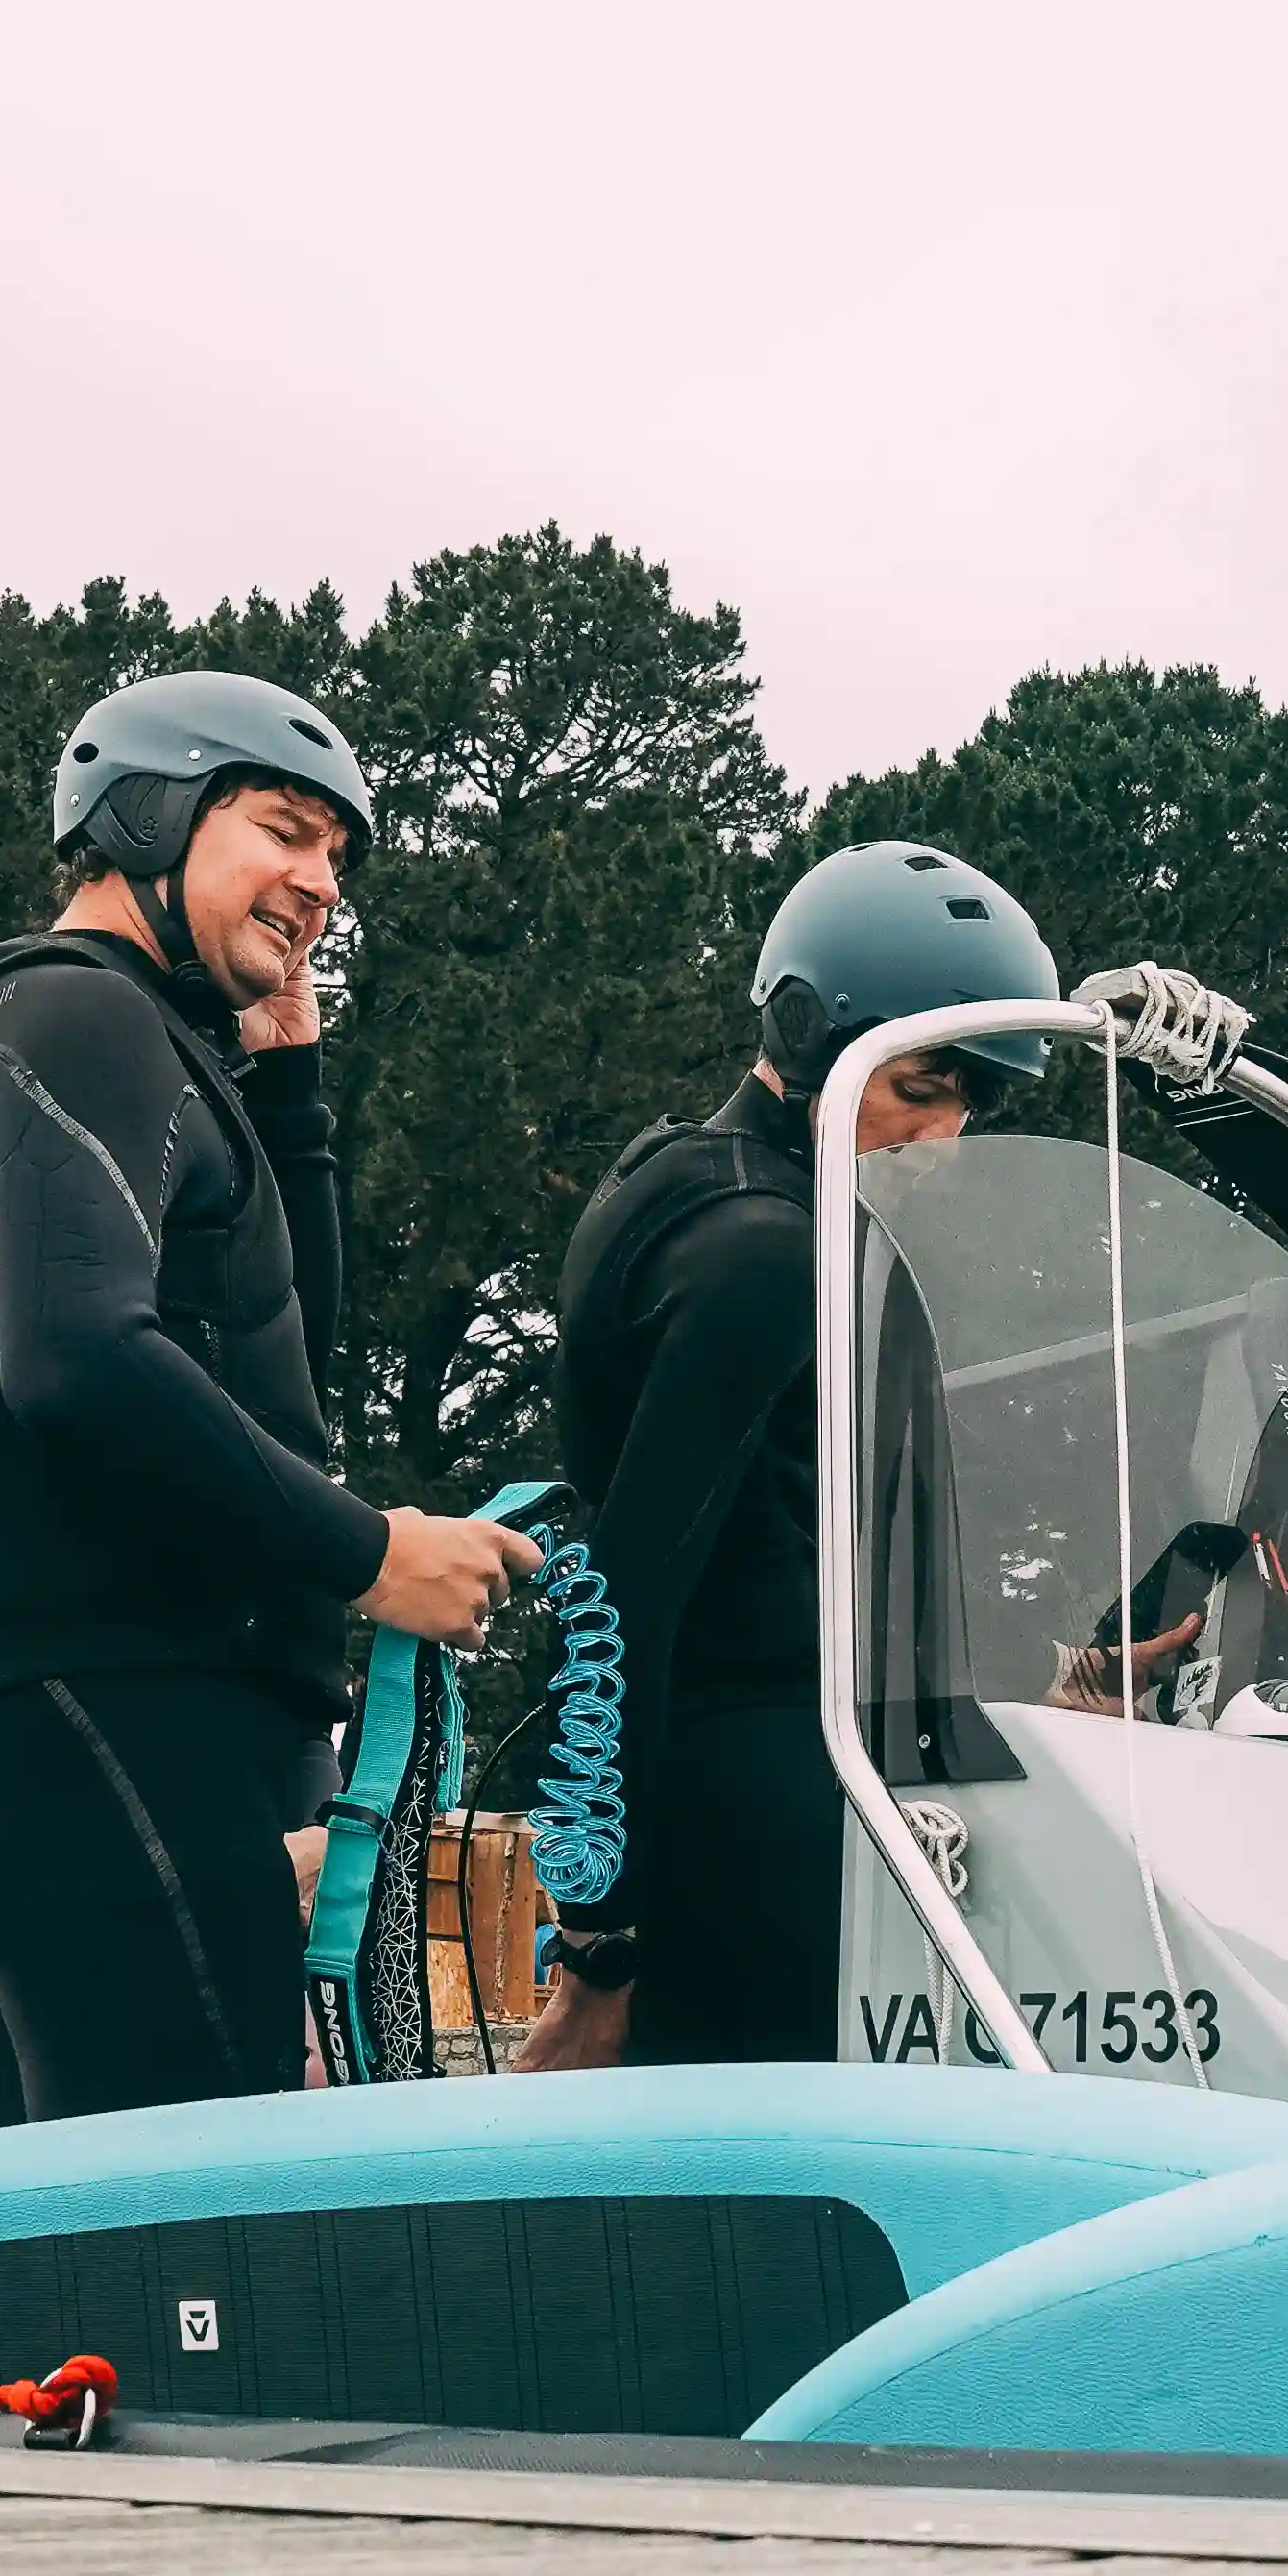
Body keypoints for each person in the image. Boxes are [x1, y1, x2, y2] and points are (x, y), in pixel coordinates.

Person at [0, 673, 539, 2127]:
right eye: (286, 830)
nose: (321, 883)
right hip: (126, 1753)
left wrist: (290, 1096)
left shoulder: (50, 1032)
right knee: (180, 2311)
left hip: (25, 1768)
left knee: (4, 2325)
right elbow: (87, 1361)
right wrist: (373, 1556)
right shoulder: (78, 1014)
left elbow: (263, 1372)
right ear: (147, 813)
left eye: (338, 857)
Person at [518, 844, 1061, 2066]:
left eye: (970, 1105)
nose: (941, 1138)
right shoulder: (761, 1246)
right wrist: (602, 1948)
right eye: (919, 1087)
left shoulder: (701, 1185)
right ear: (812, 1030)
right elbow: (619, 1599)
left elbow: (803, 1535)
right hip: (751, 1817)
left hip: (796, 1784)